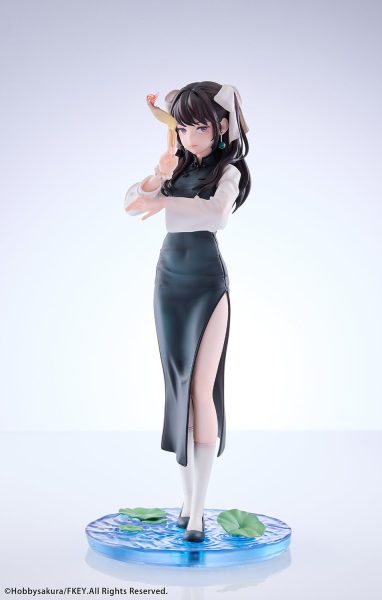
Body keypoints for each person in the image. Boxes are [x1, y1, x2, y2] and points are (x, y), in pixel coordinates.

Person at [124, 81, 251, 542]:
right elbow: (130, 204)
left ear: (221, 126)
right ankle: (185, 500)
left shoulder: (229, 170)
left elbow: (216, 216)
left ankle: (198, 511)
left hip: (206, 279)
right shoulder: (175, 167)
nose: (188, 136)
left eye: (199, 127)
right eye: (181, 127)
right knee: (177, 387)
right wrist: (157, 177)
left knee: (201, 388)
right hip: (169, 277)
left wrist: (163, 200)